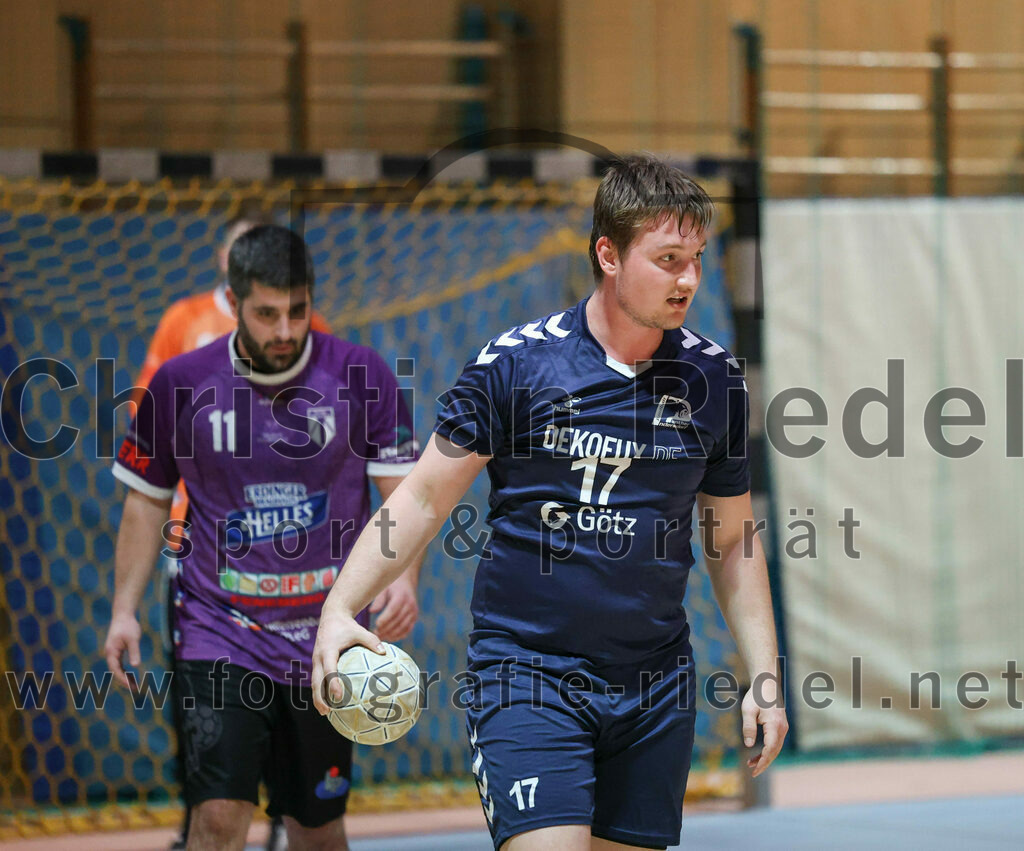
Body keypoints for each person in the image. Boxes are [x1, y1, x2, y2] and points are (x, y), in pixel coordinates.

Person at [312, 154, 788, 851]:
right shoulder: (518, 364)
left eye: (694, 258)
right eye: (666, 258)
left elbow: (733, 542)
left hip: (653, 683)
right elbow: (421, 496)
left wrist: (765, 676)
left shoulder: (712, 379)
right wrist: (337, 606)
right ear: (609, 254)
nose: (687, 278)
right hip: (528, 673)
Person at [105, 224, 421, 851]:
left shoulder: (361, 376)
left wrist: (405, 576)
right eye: (266, 314)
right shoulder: (182, 382)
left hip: (327, 635)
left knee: (317, 827)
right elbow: (146, 503)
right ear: (233, 301)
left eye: (297, 311)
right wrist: (123, 611)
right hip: (218, 629)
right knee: (219, 819)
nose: (284, 330)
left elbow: (406, 498)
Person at [133, 211, 331, 851]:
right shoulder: (184, 322)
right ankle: (204, 819)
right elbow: (150, 427)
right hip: (202, 555)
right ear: (229, 263)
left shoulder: (313, 335)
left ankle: (286, 812)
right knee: (213, 752)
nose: (282, 328)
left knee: (312, 796)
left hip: (292, 564)